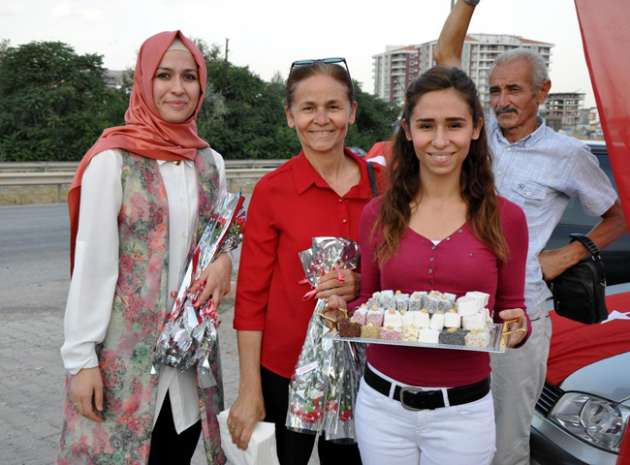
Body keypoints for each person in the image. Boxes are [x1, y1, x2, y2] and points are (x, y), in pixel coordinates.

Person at [434, 2, 627, 464]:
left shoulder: (568, 155)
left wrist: (567, 255)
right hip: (459, 309)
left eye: (514, 90)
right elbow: (446, 57)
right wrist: (466, 4)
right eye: (496, 89)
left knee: (507, 442)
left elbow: (619, 217)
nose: (502, 100)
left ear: (542, 92)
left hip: (519, 314)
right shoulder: (479, 133)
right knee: (453, 429)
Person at [327, 65, 531, 465]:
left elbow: (514, 310)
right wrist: (340, 315)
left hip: (464, 414)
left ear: (475, 129)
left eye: (454, 125)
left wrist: (518, 328)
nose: (440, 140)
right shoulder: (378, 215)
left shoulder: (506, 218)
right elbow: (367, 302)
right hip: (382, 407)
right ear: (407, 130)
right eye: (426, 125)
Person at [58, 31, 232, 465]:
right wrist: (81, 361)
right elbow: (93, 267)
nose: (178, 88)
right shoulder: (113, 160)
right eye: (164, 75)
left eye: (189, 77)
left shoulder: (210, 163)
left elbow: (216, 238)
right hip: (123, 367)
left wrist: (226, 259)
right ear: (143, 81)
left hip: (190, 367)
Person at [228, 58, 380, 465]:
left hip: (364, 370)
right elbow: (250, 297)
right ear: (290, 117)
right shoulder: (273, 190)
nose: (322, 119)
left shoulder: (384, 186)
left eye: (333, 106)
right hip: (284, 372)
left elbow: (404, 273)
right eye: (308, 108)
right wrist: (248, 389)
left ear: (352, 111)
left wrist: (361, 283)